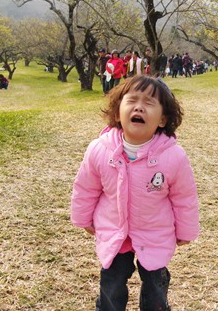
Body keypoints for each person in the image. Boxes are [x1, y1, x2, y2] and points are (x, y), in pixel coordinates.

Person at [71, 76, 199, 311]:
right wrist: (83, 218)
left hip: (154, 233)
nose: (139, 106)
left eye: (149, 102)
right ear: (118, 113)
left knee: (155, 285)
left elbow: (184, 198)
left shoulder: (173, 156)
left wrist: (186, 230)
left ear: (163, 119)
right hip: (114, 231)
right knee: (111, 282)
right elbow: (86, 188)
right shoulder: (100, 150)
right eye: (131, 101)